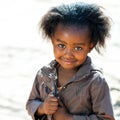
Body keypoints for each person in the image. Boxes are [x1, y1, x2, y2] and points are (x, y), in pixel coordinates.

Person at [26, 2, 115, 120]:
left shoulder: (95, 81)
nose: (68, 54)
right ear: (53, 40)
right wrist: (43, 107)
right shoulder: (44, 74)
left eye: (78, 48)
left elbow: (106, 118)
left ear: (90, 46)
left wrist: (69, 118)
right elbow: (31, 102)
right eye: (61, 45)